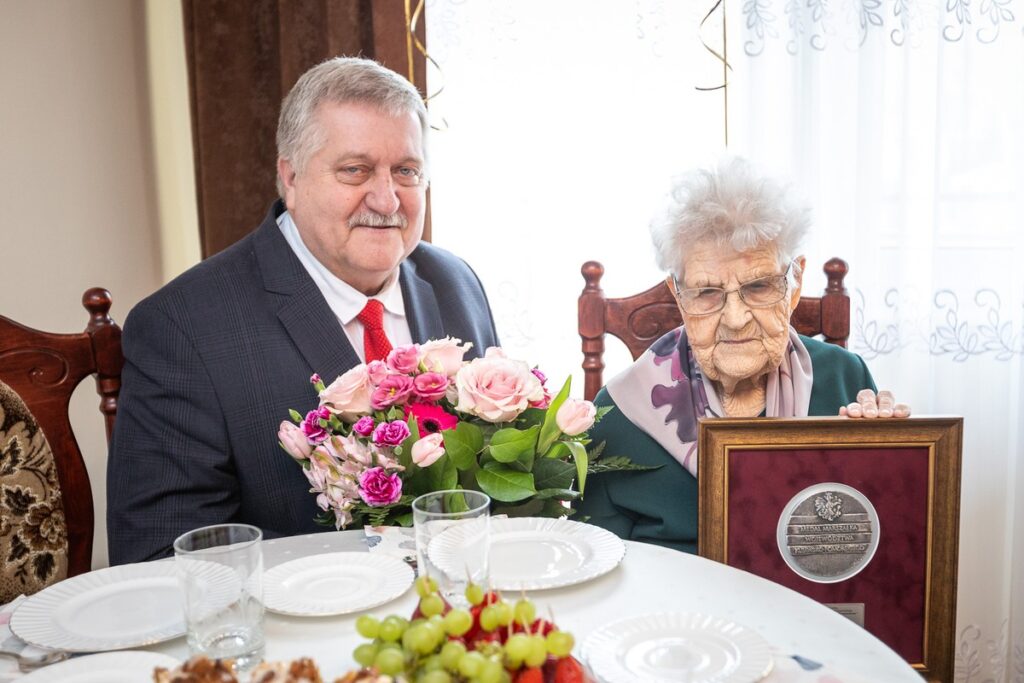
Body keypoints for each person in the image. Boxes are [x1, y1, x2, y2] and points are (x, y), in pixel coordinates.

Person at [107, 57, 498, 563]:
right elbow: (160, 554)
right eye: (354, 170)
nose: (386, 199)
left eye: (406, 171)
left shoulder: (455, 282)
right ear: (289, 179)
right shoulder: (182, 326)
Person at [577, 156, 908, 553]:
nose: (735, 318)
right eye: (706, 292)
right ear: (678, 297)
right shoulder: (618, 414)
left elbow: (880, 545)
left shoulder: (844, 380)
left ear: (794, 285)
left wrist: (895, 457)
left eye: (759, 287)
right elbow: (599, 566)